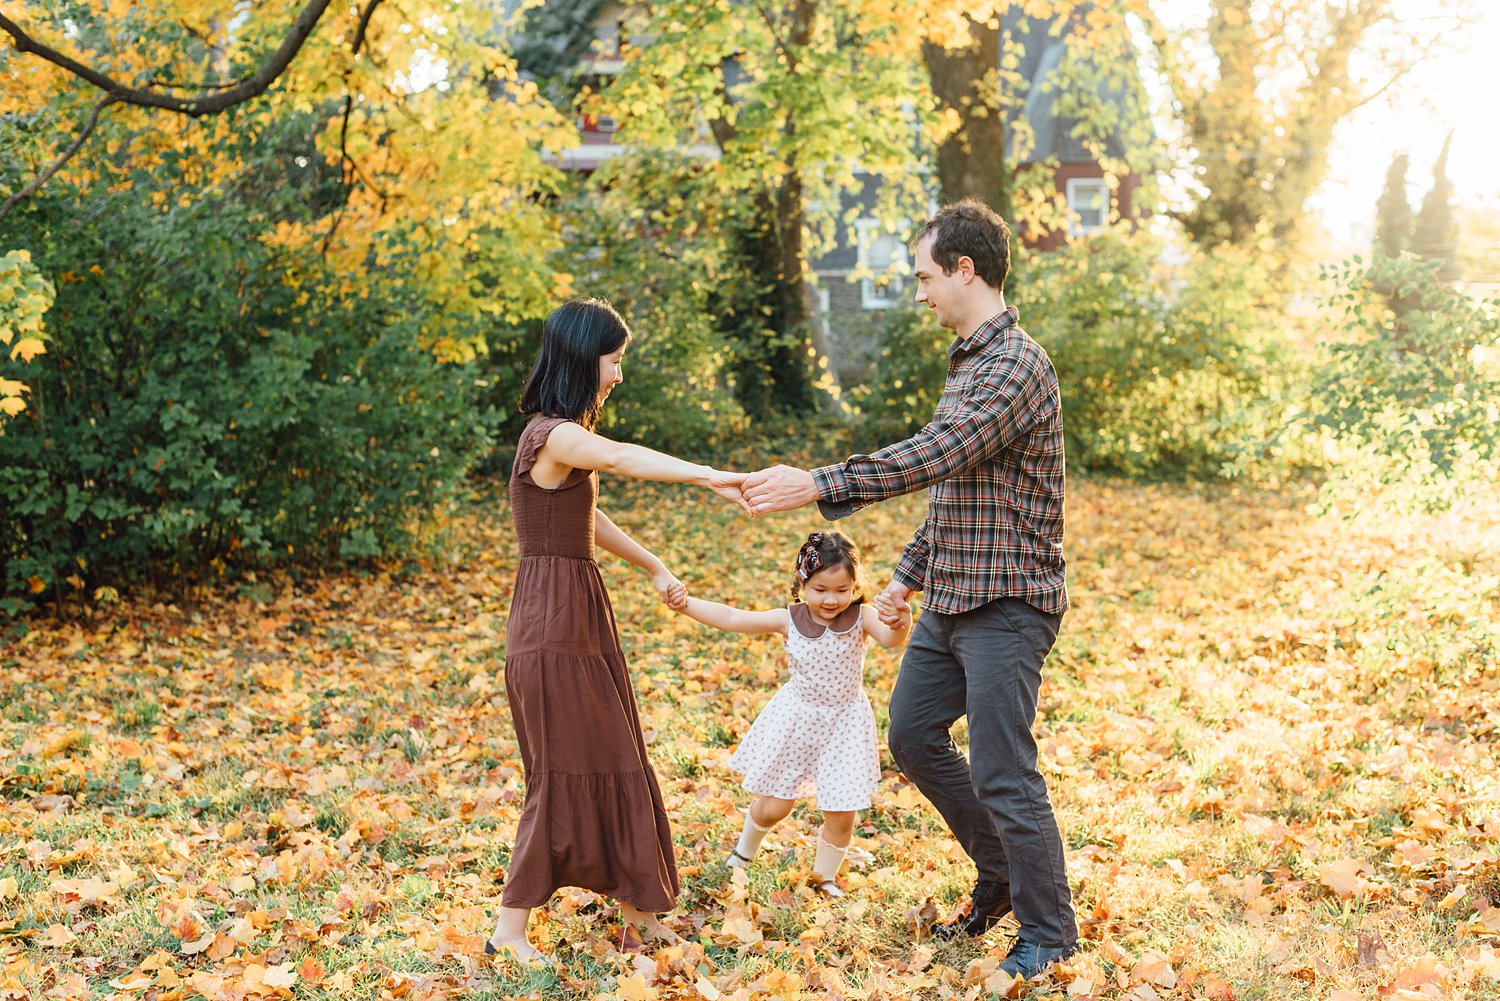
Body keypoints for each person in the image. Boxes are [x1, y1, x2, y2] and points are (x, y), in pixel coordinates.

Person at [740, 200, 1076, 980]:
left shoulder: (1018, 366)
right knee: (911, 735)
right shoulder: (968, 362)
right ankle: (1000, 875)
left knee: (1002, 764)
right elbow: (952, 486)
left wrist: (818, 483)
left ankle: (1049, 930)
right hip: (951, 596)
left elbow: (933, 453)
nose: (919, 292)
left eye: (925, 275)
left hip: (1009, 604)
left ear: (965, 270)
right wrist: (907, 576)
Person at [487, 297, 750, 964]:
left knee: (616, 756)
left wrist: (653, 563)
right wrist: (708, 474)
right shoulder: (555, 434)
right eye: (615, 360)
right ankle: (508, 931)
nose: (620, 375)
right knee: (561, 769)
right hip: (552, 622)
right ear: (584, 359)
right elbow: (625, 458)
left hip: (575, 610)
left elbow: (587, 518)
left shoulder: (564, 443)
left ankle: (639, 911)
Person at [667, 531, 910, 896]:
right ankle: (742, 853)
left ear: (855, 586)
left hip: (844, 724)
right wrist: (686, 605)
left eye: (842, 590)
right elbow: (732, 617)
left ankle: (824, 877)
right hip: (798, 721)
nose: (831, 599)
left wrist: (901, 621)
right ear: (802, 584)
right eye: (821, 589)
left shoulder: (863, 617)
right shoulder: (788, 620)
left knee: (843, 812)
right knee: (774, 808)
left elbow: (893, 641)